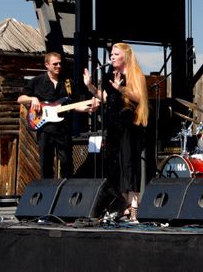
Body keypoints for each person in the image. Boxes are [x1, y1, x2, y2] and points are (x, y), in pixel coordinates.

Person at [83, 42, 149, 223]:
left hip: (130, 126)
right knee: (116, 166)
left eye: (115, 54)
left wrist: (121, 89)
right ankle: (122, 206)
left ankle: (134, 207)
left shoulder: (135, 75)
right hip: (113, 127)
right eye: (111, 54)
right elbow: (105, 97)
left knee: (130, 166)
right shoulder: (108, 75)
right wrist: (90, 87)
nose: (111, 57)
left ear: (125, 56)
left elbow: (140, 98)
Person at [18, 52, 97, 179]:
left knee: (67, 163)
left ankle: (65, 191)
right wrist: (33, 99)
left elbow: (74, 104)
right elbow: (20, 98)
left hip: (63, 129)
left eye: (60, 63)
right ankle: (47, 191)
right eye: (55, 64)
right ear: (47, 65)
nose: (58, 66)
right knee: (46, 164)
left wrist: (88, 109)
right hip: (45, 130)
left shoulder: (68, 83)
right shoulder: (37, 81)